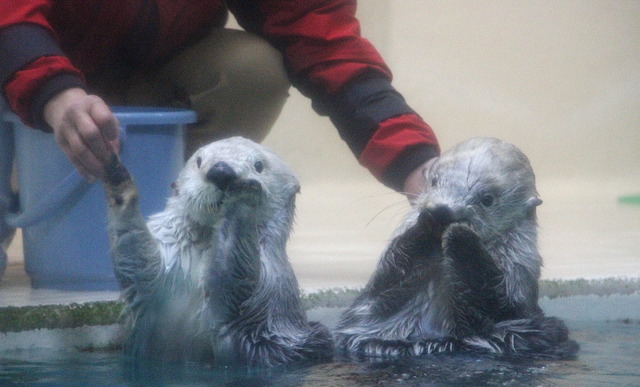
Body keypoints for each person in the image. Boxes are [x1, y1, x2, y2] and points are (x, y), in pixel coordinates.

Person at [0, 0, 440, 280]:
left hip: (144, 83)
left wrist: (416, 164)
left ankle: (175, 232)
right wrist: (52, 93)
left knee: (250, 70)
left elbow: (322, 37)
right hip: (25, 80)